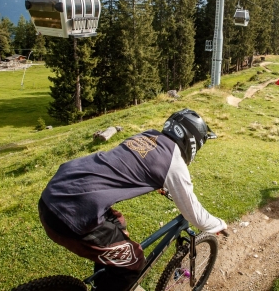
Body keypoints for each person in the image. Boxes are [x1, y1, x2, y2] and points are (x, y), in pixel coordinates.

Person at [38, 109, 227, 291]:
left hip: (58, 190)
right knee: (135, 262)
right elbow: (194, 214)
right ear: (193, 142)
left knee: (118, 222)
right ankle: (115, 278)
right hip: (72, 212)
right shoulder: (174, 163)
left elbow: (135, 163)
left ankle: (109, 272)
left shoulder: (147, 136)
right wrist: (218, 224)